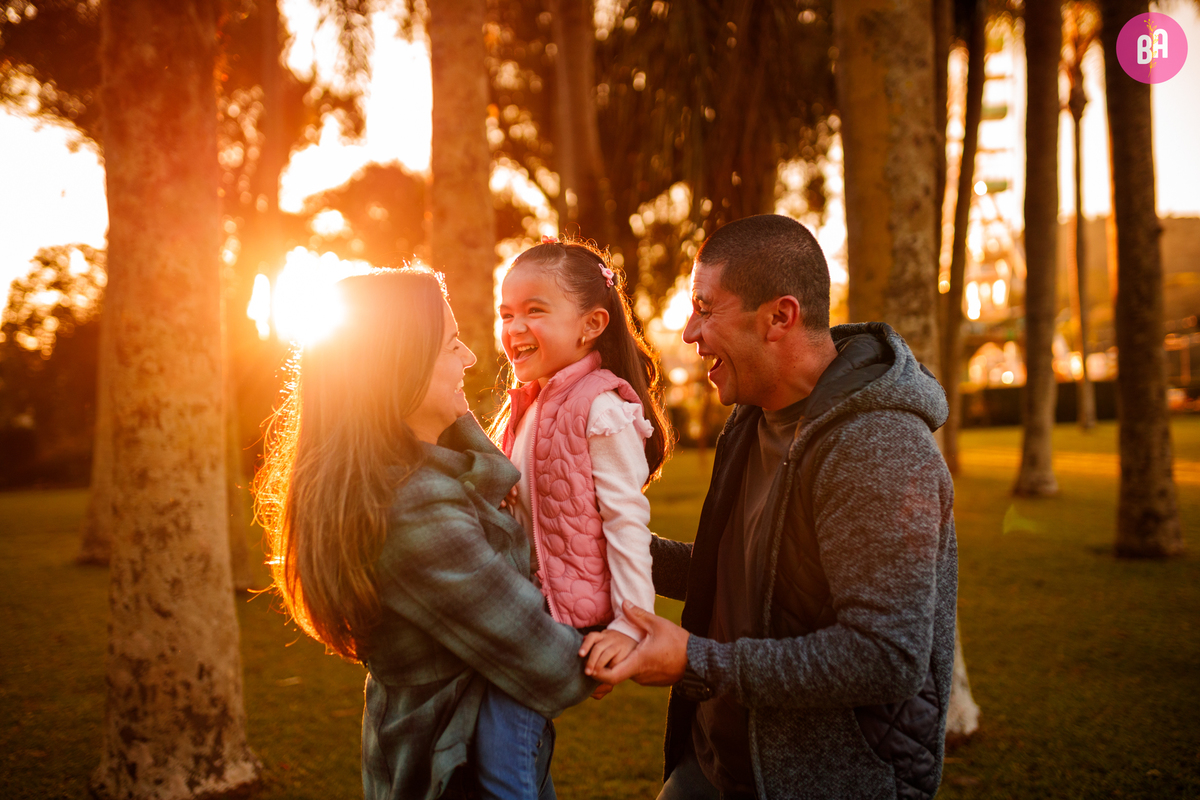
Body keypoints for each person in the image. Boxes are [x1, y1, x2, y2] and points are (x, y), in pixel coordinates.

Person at [583, 214, 958, 800]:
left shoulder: (876, 447)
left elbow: (885, 656)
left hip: (818, 782)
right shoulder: (751, 419)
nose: (688, 332)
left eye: (706, 307)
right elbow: (741, 573)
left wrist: (696, 663)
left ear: (780, 316)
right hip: (715, 763)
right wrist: (608, 544)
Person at [254, 268, 596, 800]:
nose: (472, 360)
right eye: (452, 345)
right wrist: (636, 645)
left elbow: (501, 483)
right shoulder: (414, 508)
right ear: (399, 367)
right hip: (456, 771)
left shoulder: (412, 479)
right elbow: (553, 666)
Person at [477, 237, 673, 798]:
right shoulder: (529, 402)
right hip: (531, 605)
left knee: (502, 749)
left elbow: (626, 521)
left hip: (571, 614)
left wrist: (630, 626)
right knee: (509, 748)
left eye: (535, 311)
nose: (515, 327)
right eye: (506, 314)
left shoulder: (602, 406)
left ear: (591, 324)